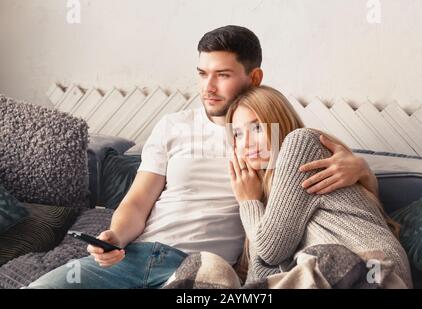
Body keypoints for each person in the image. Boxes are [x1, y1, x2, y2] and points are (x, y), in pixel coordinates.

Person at [28, 25, 379, 289]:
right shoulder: (173, 126)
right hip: (137, 255)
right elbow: (137, 201)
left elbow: (340, 200)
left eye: (222, 75)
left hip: (206, 269)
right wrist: (115, 238)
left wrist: (362, 168)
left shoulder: (272, 137)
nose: (207, 87)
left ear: (254, 77)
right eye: (202, 73)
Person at [225, 85, 412, 288]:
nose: (246, 143)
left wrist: (248, 203)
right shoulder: (270, 198)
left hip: (371, 271)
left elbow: (270, 251)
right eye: (237, 134)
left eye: (257, 128)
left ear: (280, 122)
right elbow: (260, 274)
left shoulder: (301, 143)